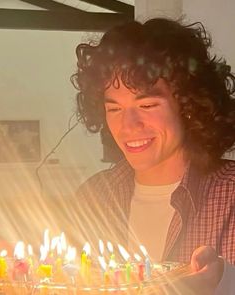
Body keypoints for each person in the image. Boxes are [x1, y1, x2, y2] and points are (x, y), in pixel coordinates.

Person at [71, 18, 235, 294]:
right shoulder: (93, 197)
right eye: (114, 109)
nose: (128, 126)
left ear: (188, 105)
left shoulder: (229, 196)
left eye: (147, 104)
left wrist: (224, 282)